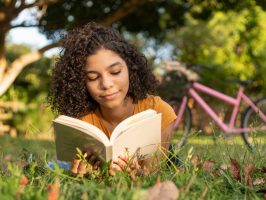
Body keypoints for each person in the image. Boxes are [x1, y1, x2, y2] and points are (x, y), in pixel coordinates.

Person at [48, 22, 177, 176]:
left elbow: (151, 173)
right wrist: (84, 175)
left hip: (168, 164)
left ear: (130, 68)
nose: (106, 84)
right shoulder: (81, 121)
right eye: (93, 77)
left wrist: (138, 173)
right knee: (51, 167)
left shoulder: (158, 111)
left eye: (115, 72)